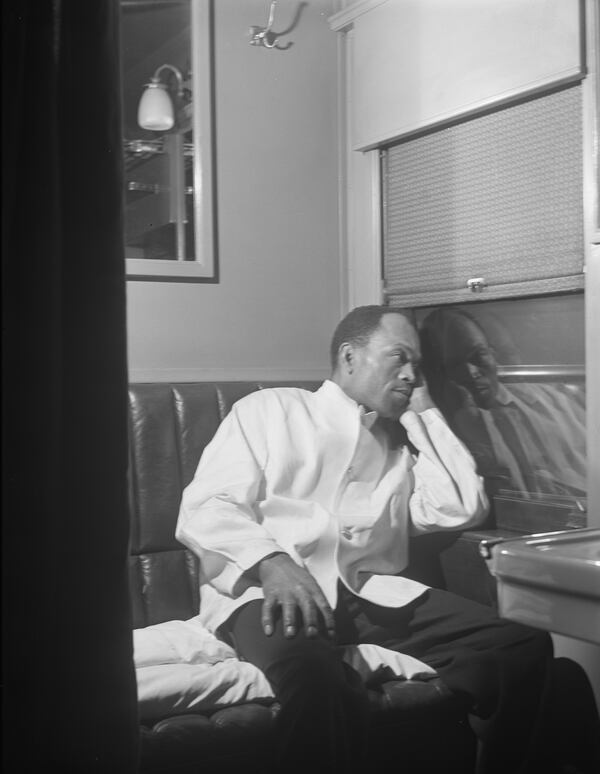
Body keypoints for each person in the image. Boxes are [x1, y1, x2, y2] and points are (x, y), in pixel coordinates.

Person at [176, 305, 552, 774]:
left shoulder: (397, 448)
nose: (412, 374)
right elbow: (207, 506)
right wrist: (273, 562)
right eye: (399, 358)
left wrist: (425, 412)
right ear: (349, 357)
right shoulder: (270, 410)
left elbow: (459, 505)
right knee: (318, 682)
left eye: (417, 365)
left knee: (521, 644)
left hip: (366, 595)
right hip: (268, 593)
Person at [419, 307, 586, 498]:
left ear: (492, 354)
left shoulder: (555, 400)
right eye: (455, 364)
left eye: (478, 355)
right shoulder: (443, 433)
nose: (472, 372)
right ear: (437, 373)